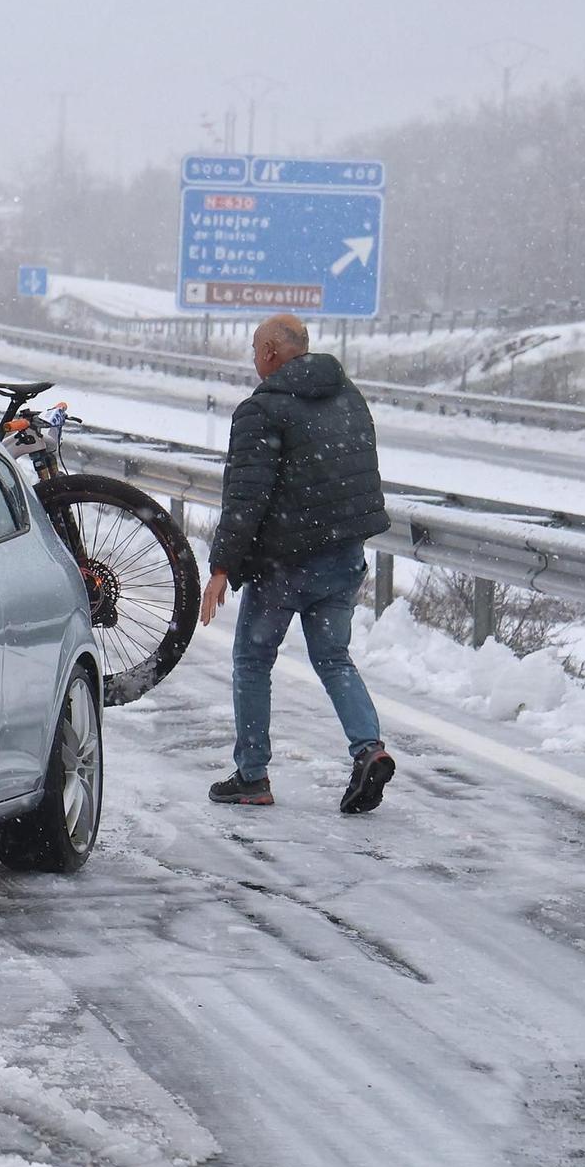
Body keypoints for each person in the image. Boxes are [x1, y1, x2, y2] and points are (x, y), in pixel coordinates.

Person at [200, 313, 394, 813]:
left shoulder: (261, 412)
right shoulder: (348, 395)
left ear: (269, 353)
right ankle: (369, 748)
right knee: (333, 658)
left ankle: (252, 775)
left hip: (286, 563)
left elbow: (246, 497)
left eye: (253, 349)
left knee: (252, 660)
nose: (253, 358)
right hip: (344, 554)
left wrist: (222, 568)